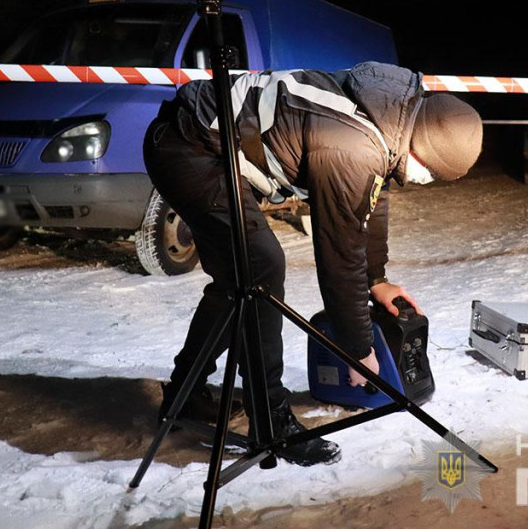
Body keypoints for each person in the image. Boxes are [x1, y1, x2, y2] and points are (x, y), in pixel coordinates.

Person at [143, 61, 482, 466]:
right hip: (188, 145)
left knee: (237, 280)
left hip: (203, 139)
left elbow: (370, 200)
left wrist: (377, 279)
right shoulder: (352, 145)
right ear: (421, 150)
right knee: (260, 270)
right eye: (429, 174)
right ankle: (271, 422)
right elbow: (339, 253)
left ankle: (185, 394)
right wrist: (357, 349)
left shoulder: (392, 114)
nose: (422, 181)